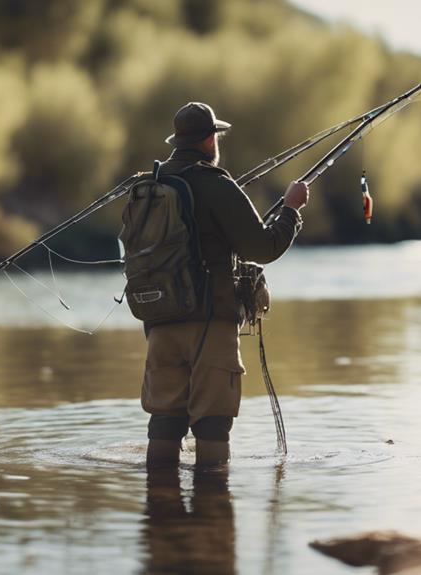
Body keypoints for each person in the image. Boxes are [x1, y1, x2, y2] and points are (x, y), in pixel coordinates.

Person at [142, 102, 308, 468]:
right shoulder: (217, 184)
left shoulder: (148, 185)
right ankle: (214, 509)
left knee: (165, 421)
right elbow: (262, 248)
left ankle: (159, 509)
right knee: (213, 423)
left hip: (158, 323)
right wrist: (291, 210)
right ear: (208, 139)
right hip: (209, 321)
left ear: (177, 140)